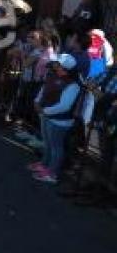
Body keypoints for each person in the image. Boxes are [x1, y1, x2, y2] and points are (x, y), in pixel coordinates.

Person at [31, 54, 82, 184]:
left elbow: (64, 106)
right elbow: (43, 90)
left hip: (60, 121)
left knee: (56, 147)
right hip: (46, 116)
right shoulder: (52, 75)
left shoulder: (73, 85)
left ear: (65, 67)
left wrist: (44, 110)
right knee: (47, 143)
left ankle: (52, 173)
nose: (54, 66)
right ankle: (44, 164)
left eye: (57, 64)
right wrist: (37, 102)